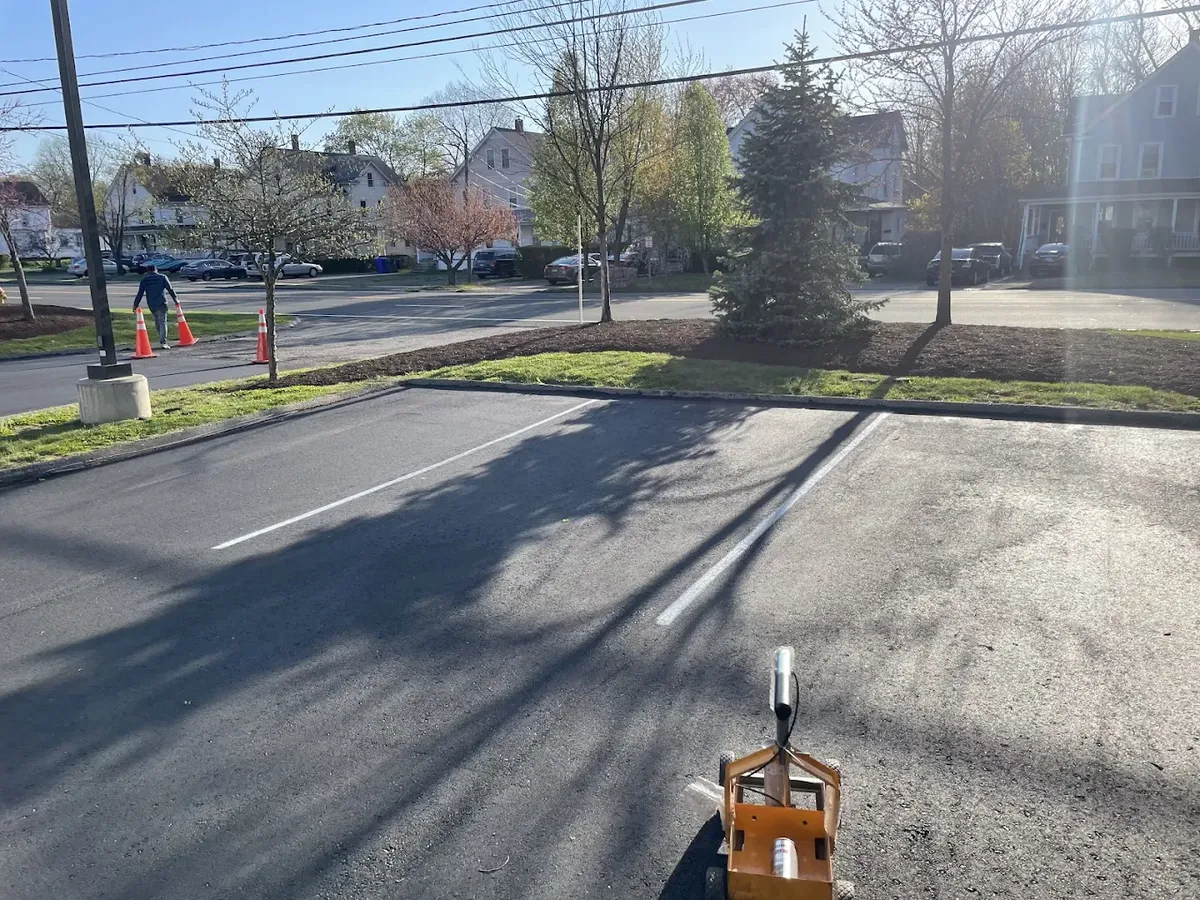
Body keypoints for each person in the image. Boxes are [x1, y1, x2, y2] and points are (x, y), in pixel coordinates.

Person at [133, 263, 177, 349]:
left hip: (151, 304)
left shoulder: (145, 280)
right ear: (156, 269)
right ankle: (163, 342)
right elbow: (170, 289)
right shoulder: (162, 277)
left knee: (157, 321)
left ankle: (161, 339)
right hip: (162, 302)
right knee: (163, 322)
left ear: (148, 271)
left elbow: (140, 294)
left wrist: (135, 305)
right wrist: (175, 299)